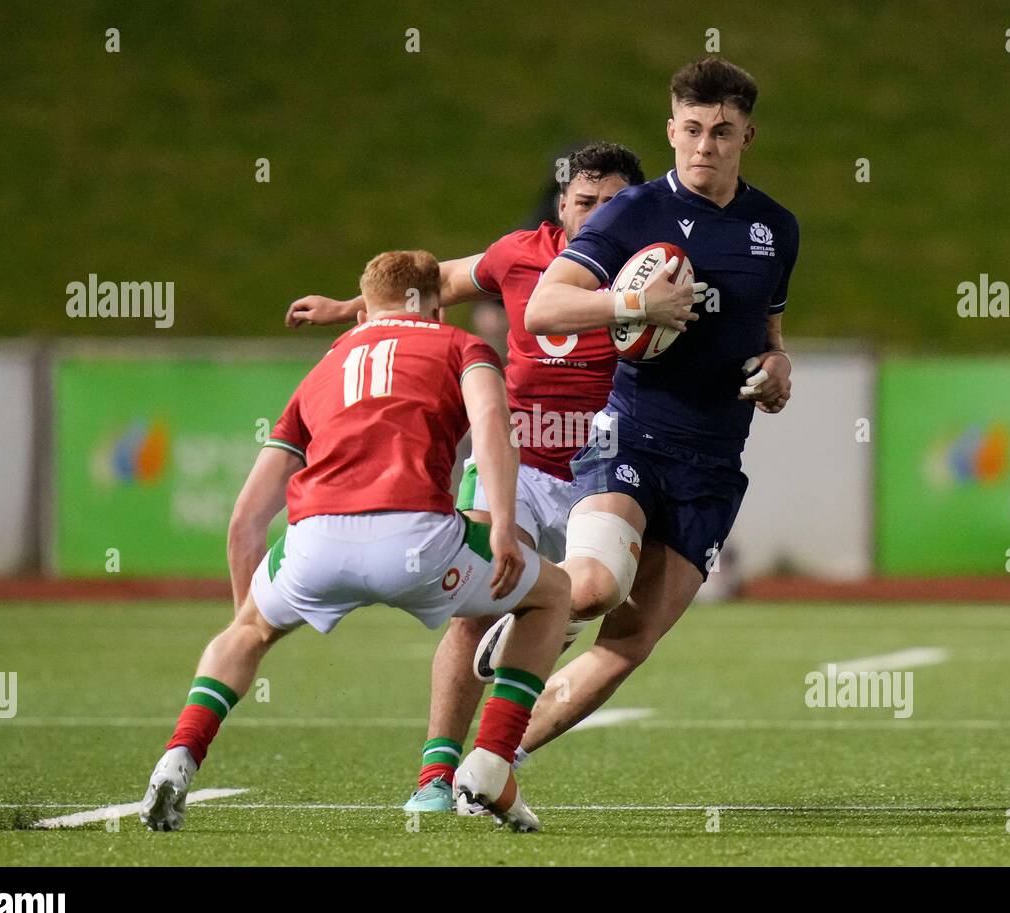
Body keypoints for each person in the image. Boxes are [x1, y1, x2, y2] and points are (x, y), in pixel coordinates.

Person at [283, 143, 663, 812]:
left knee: (597, 595)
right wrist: (350, 308)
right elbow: (443, 282)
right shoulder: (520, 254)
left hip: (604, 468)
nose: (600, 215)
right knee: (472, 609)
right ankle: (435, 778)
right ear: (560, 206)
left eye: (615, 203)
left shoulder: (655, 269)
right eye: (585, 203)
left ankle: (531, 656)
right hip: (515, 466)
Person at [139, 250, 570, 833]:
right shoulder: (462, 347)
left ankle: (178, 757)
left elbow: (246, 518)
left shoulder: (327, 364)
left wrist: (251, 616)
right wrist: (500, 525)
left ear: (366, 304)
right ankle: (491, 759)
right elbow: (494, 429)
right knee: (553, 594)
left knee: (244, 632)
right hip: (417, 539)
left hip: (315, 542)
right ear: (436, 303)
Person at [507, 55, 800, 756]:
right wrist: (635, 302)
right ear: (671, 131)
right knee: (591, 591)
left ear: (747, 137)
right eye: (693, 129)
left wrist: (778, 368)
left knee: (630, 642)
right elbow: (544, 309)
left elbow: (769, 332)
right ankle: (514, 616)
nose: (706, 145)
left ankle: (492, 762)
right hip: (631, 436)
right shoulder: (635, 210)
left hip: (714, 460)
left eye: (722, 131)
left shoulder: (776, 229)